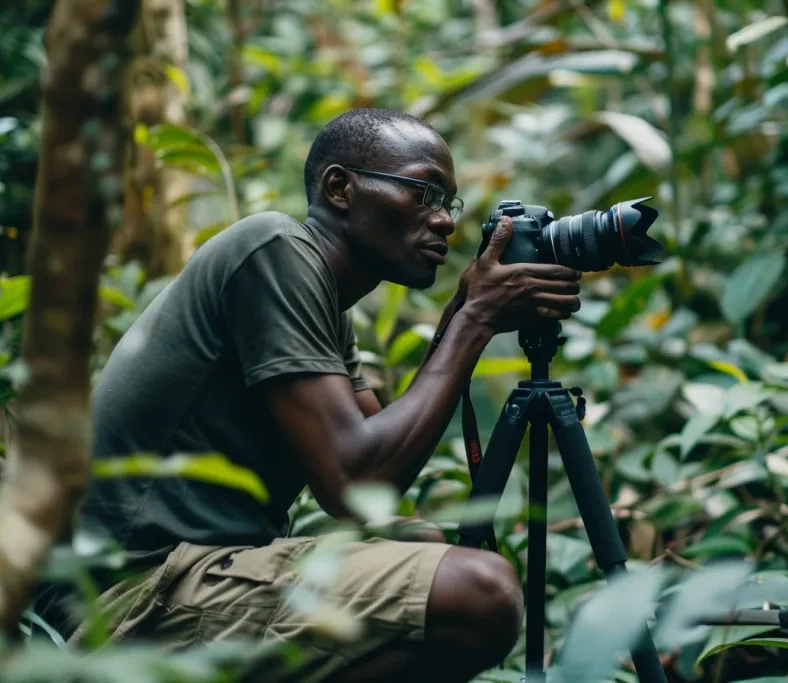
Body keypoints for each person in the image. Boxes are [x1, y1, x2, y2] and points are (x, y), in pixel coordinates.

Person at [44, 108, 581, 681]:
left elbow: (381, 464)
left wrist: (461, 315)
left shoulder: (323, 304)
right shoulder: (273, 247)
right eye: (424, 191)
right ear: (340, 188)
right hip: (121, 599)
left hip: (185, 573)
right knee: (481, 592)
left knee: (422, 542)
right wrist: (474, 322)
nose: (444, 222)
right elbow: (354, 485)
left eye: (448, 202)